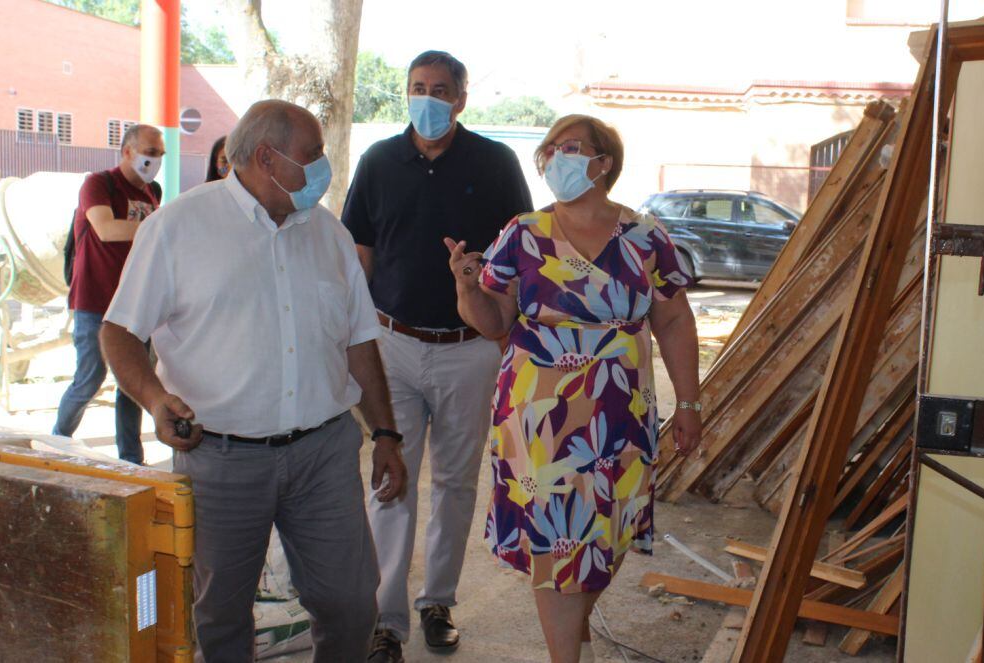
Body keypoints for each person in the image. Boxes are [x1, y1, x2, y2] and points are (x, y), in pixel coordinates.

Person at [99, 99, 408, 662]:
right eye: (312, 156)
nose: (324, 168)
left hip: (322, 453)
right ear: (267, 158)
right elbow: (118, 332)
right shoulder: (178, 227)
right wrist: (153, 398)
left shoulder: (329, 234)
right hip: (219, 458)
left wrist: (387, 434)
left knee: (351, 603)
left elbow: (359, 341)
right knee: (220, 616)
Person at [445, 114, 703, 663]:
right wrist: (466, 289)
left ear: (603, 162)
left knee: (606, 537)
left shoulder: (645, 237)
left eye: (571, 148)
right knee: (553, 536)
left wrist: (689, 401)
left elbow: (676, 321)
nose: (556, 158)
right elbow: (493, 322)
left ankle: (574, 641)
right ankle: (567, 656)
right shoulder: (523, 233)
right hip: (538, 416)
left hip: (619, 414)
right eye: (550, 150)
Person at [341, 50, 533, 661]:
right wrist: (351, 337)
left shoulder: (496, 163)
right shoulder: (377, 161)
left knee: (454, 480)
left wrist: (495, 307)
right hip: (391, 344)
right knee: (390, 479)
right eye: (418, 87)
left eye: (441, 89)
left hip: (468, 350)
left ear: (462, 98)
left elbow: (521, 254)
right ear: (405, 93)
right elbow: (359, 257)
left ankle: (437, 601)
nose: (428, 98)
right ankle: (386, 619)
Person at [53, 124, 165, 464]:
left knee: (132, 383)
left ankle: (132, 459)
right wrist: (160, 226)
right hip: (94, 299)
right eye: (149, 151)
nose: (155, 159)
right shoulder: (98, 183)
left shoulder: (152, 193)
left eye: (160, 153)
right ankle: (57, 442)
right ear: (128, 150)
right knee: (89, 378)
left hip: (133, 302)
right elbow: (106, 228)